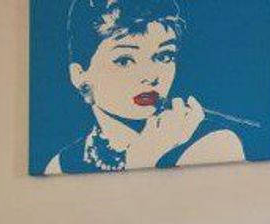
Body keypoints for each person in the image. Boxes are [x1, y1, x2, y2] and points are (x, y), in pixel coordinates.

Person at [46, 0, 247, 175]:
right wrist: (143, 157)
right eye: (124, 60)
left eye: (164, 56)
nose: (151, 76)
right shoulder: (63, 163)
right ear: (80, 76)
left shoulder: (213, 142)